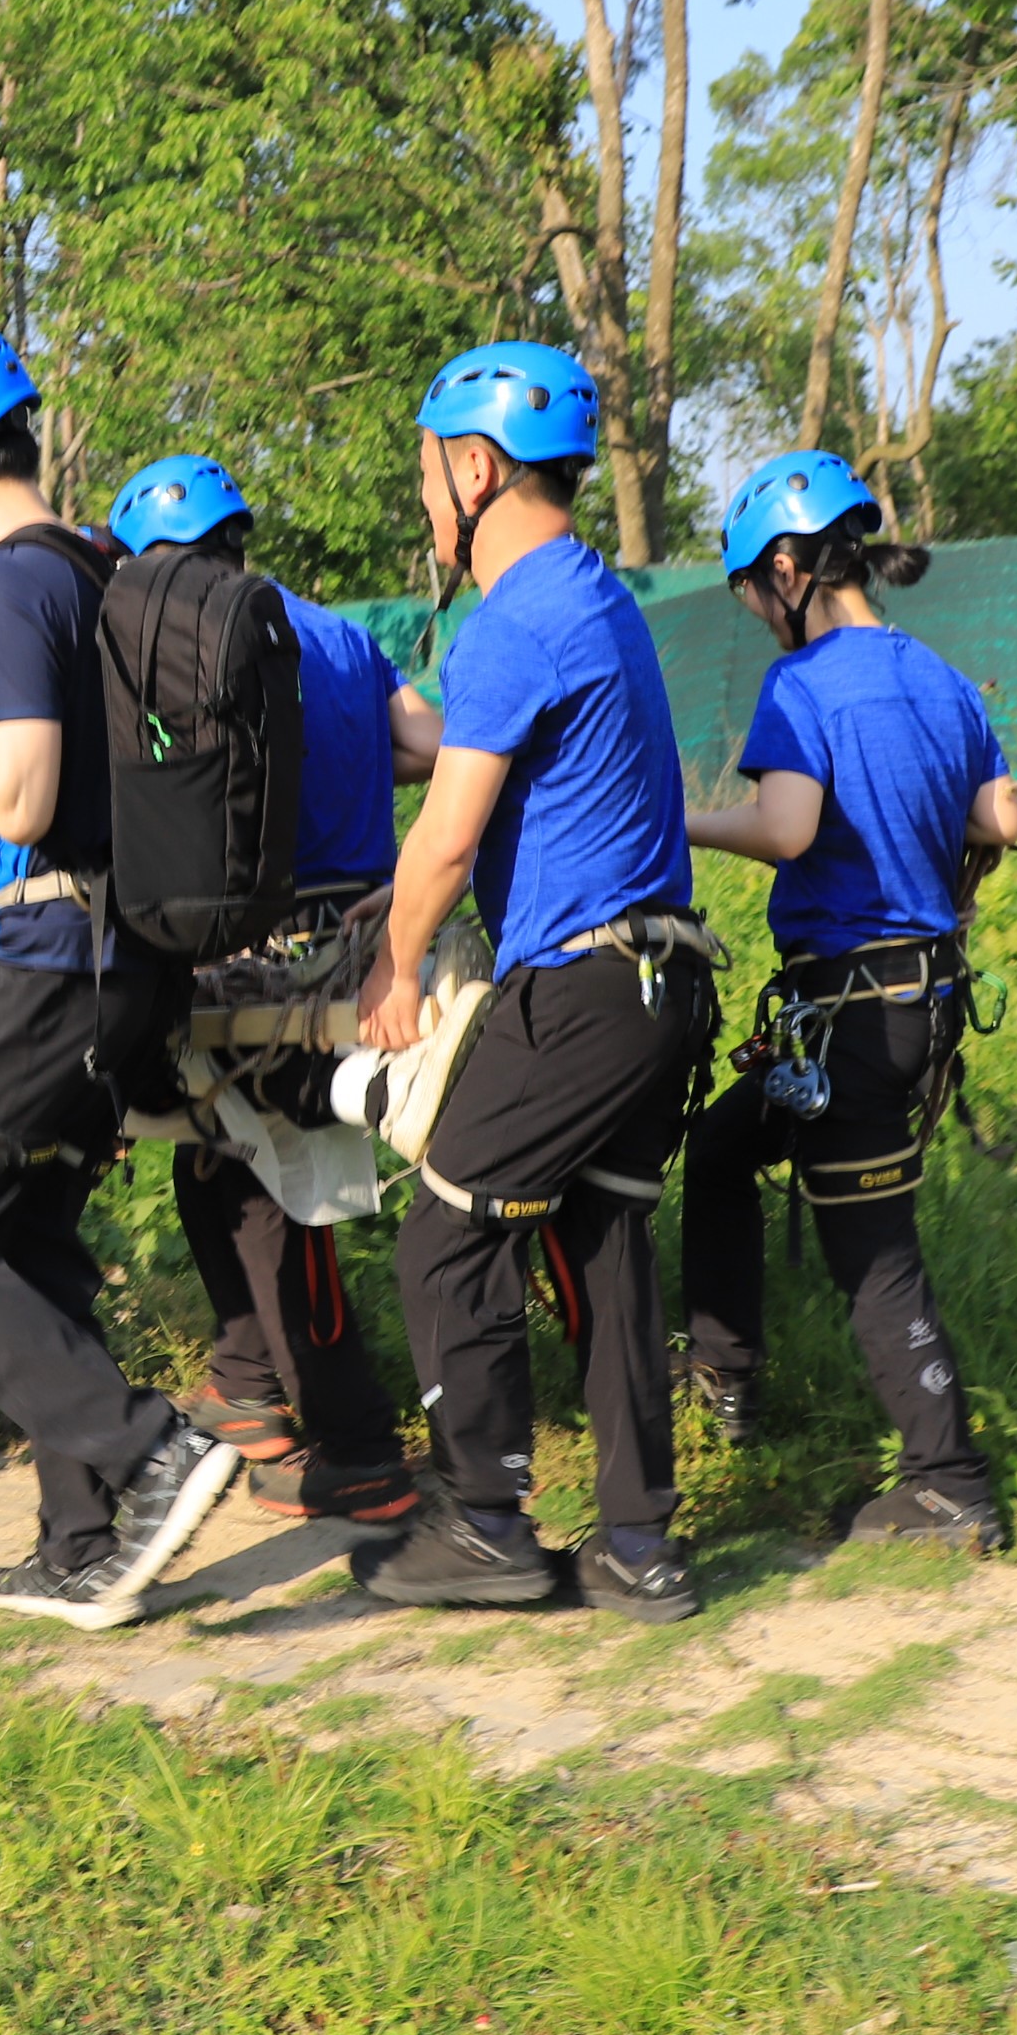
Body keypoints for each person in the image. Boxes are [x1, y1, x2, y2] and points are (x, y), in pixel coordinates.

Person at [0, 323, 238, 1628]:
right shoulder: (104, 561)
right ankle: (86, 1541)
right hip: (130, 962)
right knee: (21, 1238)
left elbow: (18, 790)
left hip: (45, 956)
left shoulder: (13, 582)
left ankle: (154, 1451)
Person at [350, 343, 719, 1619]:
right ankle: (636, 1545)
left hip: (575, 989)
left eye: (426, 476)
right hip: (665, 983)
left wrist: (392, 970)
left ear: (475, 465)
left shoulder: (512, 618)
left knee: (445, 1231)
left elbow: (445, 840)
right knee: (607, 1243)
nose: (423, 505)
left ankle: (486, 1520)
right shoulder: (595, 596)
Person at [679, 450, 1017, 1552]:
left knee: (871, 1253)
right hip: (907, 1007)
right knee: (724, 1148)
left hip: (855, 1012)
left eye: (749, 591)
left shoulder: (805, 683)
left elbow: (782, 828)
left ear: (784, 567)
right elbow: (1004, 819)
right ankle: (721, 1375)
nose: (753, 614)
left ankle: (947, 1483)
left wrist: (673, 819)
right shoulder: (939, 675)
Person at [103, 454, 434, 1529]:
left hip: (270, 944)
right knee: (218, 1162)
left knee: (273, 1189)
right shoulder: (336, 630)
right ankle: (248, 1390)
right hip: (362, 923)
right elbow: (420, 744)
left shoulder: (194, 636)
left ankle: (357, 1445)